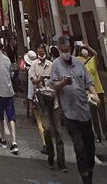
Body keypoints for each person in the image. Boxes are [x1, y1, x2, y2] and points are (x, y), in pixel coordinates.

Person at [50, 35, 100, 184]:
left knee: (90, 147)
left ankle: (89, 171)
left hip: (84, 111)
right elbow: (54, 86)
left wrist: (95, 95)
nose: (66, 52)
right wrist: (64, 83)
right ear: (59, 49)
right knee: (79, 147)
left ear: (71, 49)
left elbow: (88, 82)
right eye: (63, 50)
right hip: (69, 113)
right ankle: (85, 178)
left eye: (67, 50)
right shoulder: (56, 65)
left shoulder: (78, 63)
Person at [31, 43, 65, 171]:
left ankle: (61, 162)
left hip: (54, 101)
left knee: (59, 132)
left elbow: (58, 82)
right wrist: (37, 79)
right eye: (38, 50)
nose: (40, 52)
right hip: (42, 102)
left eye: (42, 50)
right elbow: (33, 80)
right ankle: (51, 156)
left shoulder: (52, 65)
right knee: (48, 129)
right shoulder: (34, 65)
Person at [0, 39, 19, 154]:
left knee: (1, 117)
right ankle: (14, 141)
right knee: (11, 117)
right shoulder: (7, 59)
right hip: (9, 90)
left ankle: (3, 139)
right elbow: (11, 73)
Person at [79, 45, 107, 144]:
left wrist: (88, 47)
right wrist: (76, 49)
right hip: (88, 93)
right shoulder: (80, 63)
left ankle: (106, 134)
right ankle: (98, 135)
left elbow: (96, 54)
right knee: (93, 115)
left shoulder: (92, 60)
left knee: (102, 113)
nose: (85, 51)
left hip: (99, 90)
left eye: (86, 50)